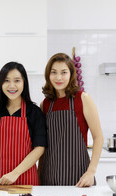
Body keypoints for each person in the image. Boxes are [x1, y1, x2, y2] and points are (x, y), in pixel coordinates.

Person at [40, 53, 103, 187]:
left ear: (71, 74)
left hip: (79, 178)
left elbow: (98, 137)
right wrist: (39, 177)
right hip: (49, 177)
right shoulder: (45, 104)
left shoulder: (83, 99)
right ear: (48, 75)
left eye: (64, 72)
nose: (58, 77)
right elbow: (43, 146)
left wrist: (91, 172)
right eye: (54, 72)